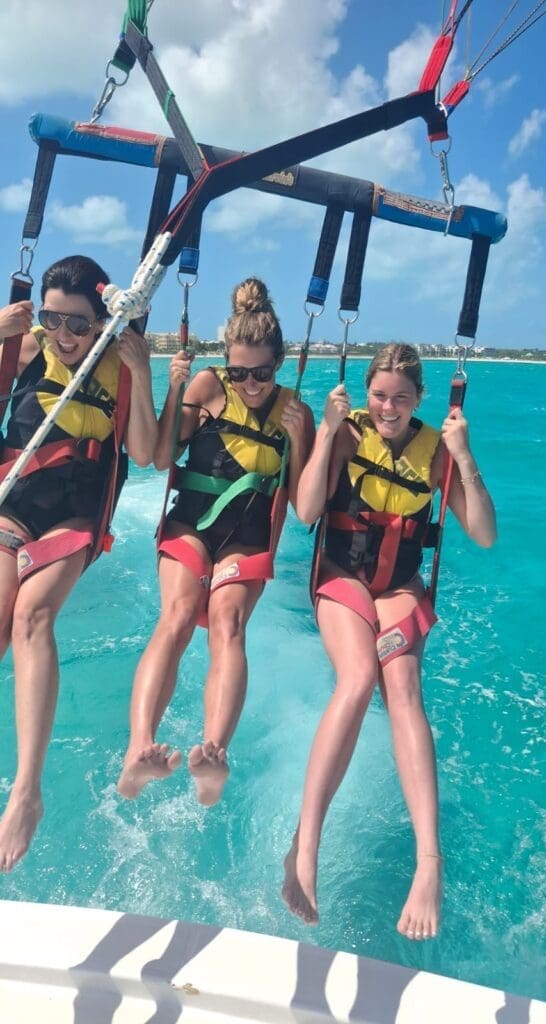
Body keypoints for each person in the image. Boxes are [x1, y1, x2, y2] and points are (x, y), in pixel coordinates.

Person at [282, 342, 496, 938]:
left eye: (401, 398)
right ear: (367, 393)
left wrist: (463, 454)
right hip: (342, 578)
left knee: (403, 688)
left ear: (420, 400)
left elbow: (481, 533)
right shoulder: (349, 432)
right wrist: (325, 434)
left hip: (398, 584)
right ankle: (307, 846)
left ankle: (430, 863)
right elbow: (303, 512)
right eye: (379, 396)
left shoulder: (436, 451)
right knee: (357, 680)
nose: (389, 408)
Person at [117, 277, 315, 806]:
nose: (251, 385)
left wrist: (302, 438)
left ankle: (213, 753)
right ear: (226, 364)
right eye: (240, 372)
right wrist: (175, 389)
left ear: (280, 363)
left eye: (263, 374)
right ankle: (139, 749)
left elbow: (305, 506)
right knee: (179, 615)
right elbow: (160, 459)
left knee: (227, 624)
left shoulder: (296, 411)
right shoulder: (206, 386)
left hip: (247, 538)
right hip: (190, 524)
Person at [0, 255, 158, 871]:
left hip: (78, 511)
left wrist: (143, 378)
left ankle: (26, 791)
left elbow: (144, 454)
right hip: (16, 496)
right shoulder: (25, 346)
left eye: (79, 325)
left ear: (101, 324)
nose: (64, 337)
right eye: (52, 319)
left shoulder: (118, 366)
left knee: (33, 616)